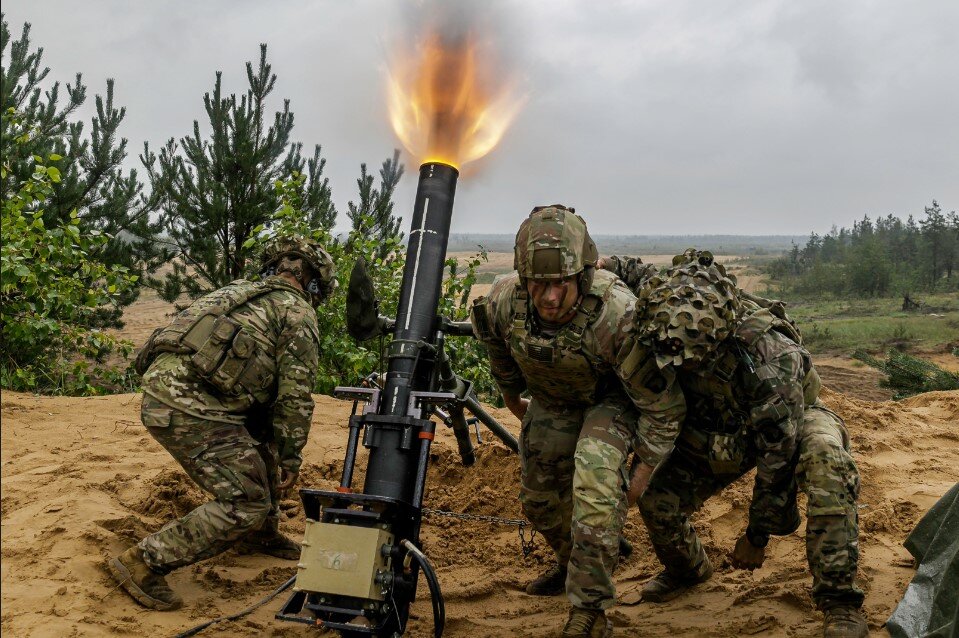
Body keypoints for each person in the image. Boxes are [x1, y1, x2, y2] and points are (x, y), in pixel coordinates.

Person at [470, 206, 685, 638]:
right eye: (539, 285)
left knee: (595, 482)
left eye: (561, 285)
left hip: (612, 402)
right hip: (553, 400)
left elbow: (664, 407)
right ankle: (578, 562)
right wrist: (513, 398)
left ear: (583, 276)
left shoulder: (615, 313)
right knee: (539, 501)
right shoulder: (503, 299)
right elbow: (495, 343)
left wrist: (638, 481)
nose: (549, 298)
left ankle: (590, 611)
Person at [630, 251, 867, 638]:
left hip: (793, 418)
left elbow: (778, 456)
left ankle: (839, 603)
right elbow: (635, 271)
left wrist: (757, 536)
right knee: (658, 501)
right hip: (717, 425)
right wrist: (600, 266)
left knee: (828, 465)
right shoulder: (666, 307)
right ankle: (688, 571)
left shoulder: (771, 357)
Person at [107, 236, 335, 611]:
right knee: (247, 501)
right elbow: (295, 398)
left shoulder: (235, 292)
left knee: (261, 441)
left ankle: (261, 537)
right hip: (192, 409)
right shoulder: (298, 313)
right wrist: (293, 459)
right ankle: (143, 562)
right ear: (314, 284)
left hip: (166, 393)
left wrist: (277, 448)